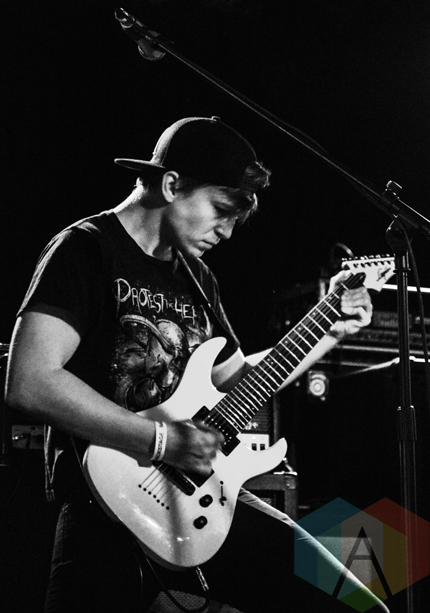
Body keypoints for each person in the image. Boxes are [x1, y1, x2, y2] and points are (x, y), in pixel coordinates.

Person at [5, 116, 389, 613]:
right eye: (221, 211)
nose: (227, 232)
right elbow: (30, 380)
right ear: (171, 185)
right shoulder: (86, 248)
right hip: (103, 505)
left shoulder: (197, 276)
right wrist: (163, 441)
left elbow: (238, 380)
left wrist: (329, 327)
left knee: (354, 601)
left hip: (197, 499)